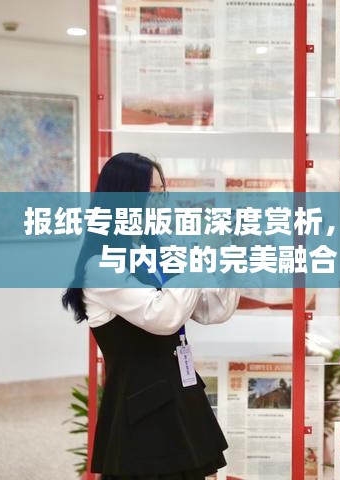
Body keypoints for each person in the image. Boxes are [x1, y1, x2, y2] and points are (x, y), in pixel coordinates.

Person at [62, 152, 240, 479]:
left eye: (161, 192)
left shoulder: (156, 249)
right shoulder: (100, 266)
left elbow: (211, 309)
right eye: (149, 192)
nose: (158, 202)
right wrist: (201, 251)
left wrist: (228, 252)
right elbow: (163, 317)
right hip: (142, 411)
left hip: (181, 394)